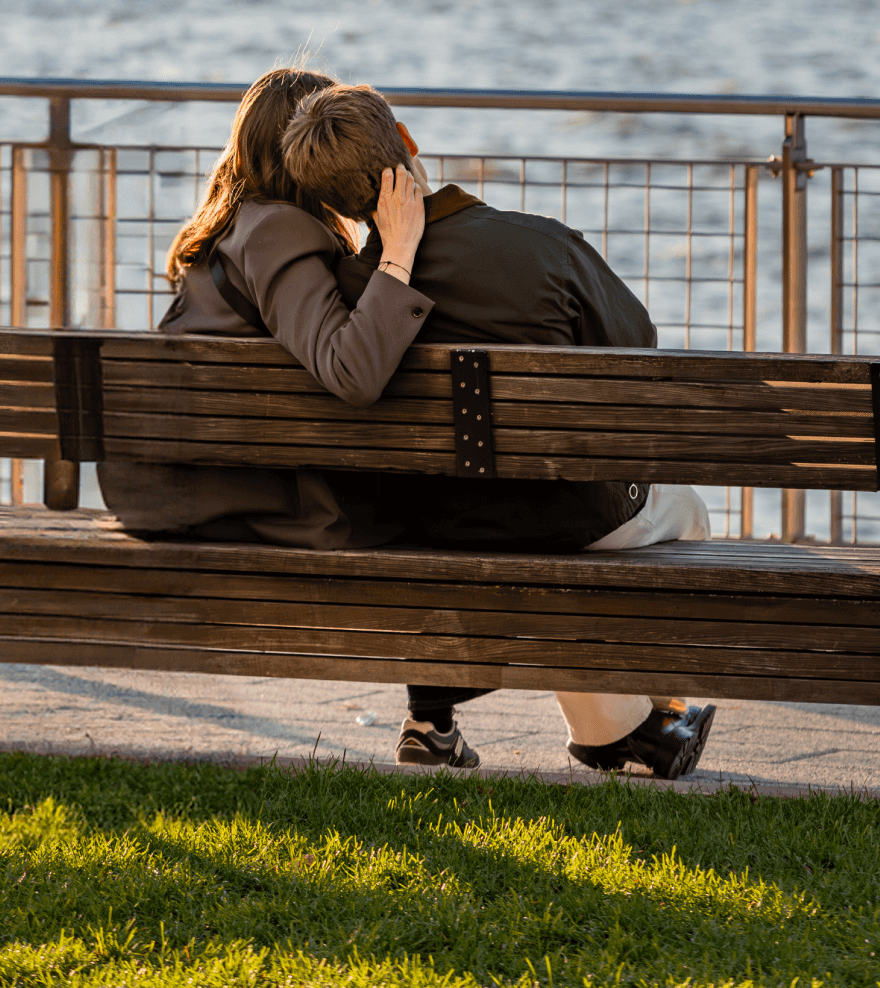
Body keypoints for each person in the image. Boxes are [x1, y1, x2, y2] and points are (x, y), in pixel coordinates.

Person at [281, 79, 715, 782]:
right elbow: (639, 357)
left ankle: (624, 731)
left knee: (545, 539)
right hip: (572, 517)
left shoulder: (351, 305)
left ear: (333, 203)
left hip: (433, 529)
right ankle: (641, 721)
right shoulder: (540, 247)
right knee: (683, 511)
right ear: (410, 144)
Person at [97, 65, 434, 549]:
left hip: (181, 487)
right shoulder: (277, 231)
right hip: (244, 503)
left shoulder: (231, 228)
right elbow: (353, 372)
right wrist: (400, 251)